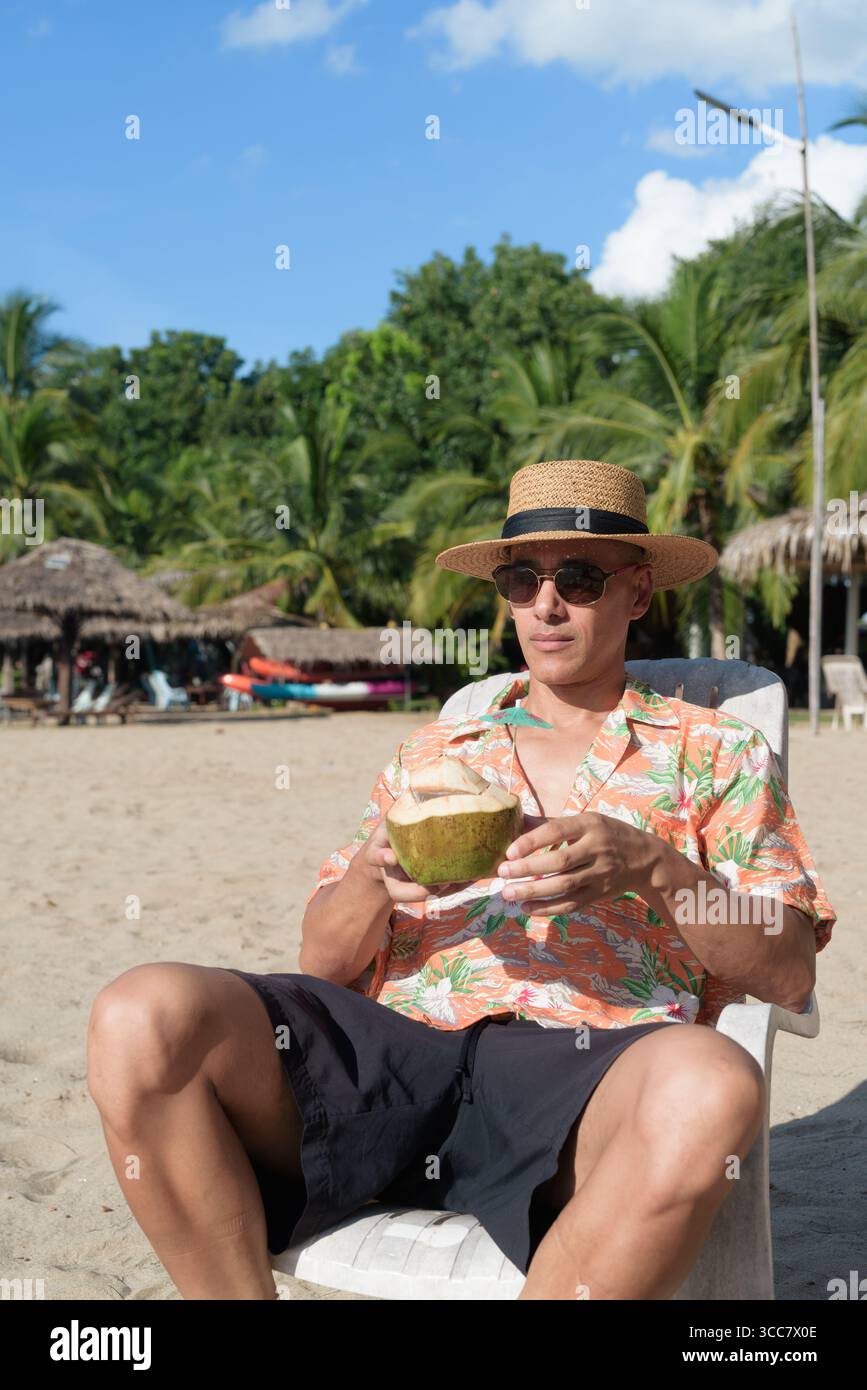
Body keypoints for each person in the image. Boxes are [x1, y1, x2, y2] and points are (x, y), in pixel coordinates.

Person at [86, 458, 836, 1300]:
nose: (545, 606)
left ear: (637, 594)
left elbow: (786, 969)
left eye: (578, 579)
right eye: (523, 580)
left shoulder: (717, 750)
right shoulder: (437, 751)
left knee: (712, 1088)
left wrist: (653, 868)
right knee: (139, 1016)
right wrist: (375, 883)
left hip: (587, 1071)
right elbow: (322, 962)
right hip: (401, 1054)